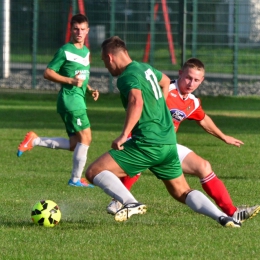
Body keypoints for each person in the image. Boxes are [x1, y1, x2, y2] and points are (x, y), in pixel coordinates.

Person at [85, 36, 241, 227]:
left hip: (147, 142)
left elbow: (136, 101)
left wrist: (124, 135)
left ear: (110, 58)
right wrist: (159, 106)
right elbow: (166, 81)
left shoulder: (126, 77)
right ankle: (222, 217)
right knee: (182, 191)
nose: (106, 67)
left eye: (103, 61)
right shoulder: (145, 68)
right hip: (168, 143)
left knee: (94, 171)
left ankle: (129, 202)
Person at [106, 57, 260, 223]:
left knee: (204, 167)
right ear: (180, 74)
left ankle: (232, 212)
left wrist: (223, 137)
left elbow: (203, 119)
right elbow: (139, 104)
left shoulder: (192, 102)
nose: (190, 83)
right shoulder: (164, 89)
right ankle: (118, 201)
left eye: (196, 80)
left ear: (202, 81)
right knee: (137, 166)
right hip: (145, 139)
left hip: (167, 145)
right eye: (188, 77)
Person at [17, 13, 99, 188]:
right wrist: (71, 81)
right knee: (86, 138)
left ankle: (34, 140)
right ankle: (76, 180)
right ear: (71, 30)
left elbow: (79, 75)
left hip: (77, 100)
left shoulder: (86, 52)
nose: (79, 32)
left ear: (87, 31)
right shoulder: (65, 51)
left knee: (74, 144)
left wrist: (90, 89)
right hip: (70, 101)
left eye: (82, 29)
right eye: (76, 29)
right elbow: (48, 73)